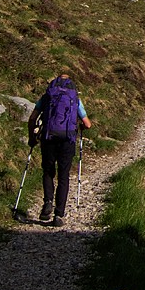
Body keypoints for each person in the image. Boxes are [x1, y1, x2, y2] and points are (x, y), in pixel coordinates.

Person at [27, 72, 92, 226]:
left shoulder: (47, 97)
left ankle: (48, 202)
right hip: (67, 140)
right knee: (63, 176)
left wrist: (32, 137)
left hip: (49, 137)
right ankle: (59, 215)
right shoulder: (75, 99)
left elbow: (32, 118)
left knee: (48, 171)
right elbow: (88, 124)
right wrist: (80, 127)